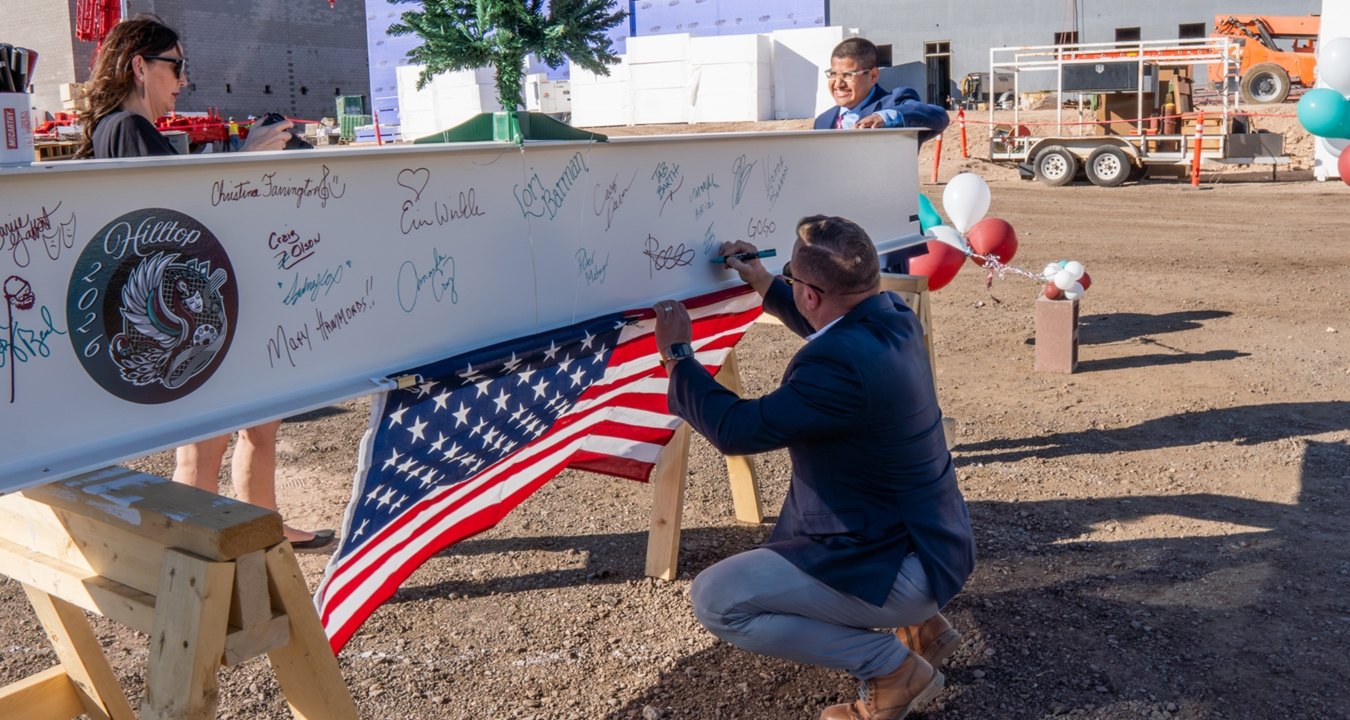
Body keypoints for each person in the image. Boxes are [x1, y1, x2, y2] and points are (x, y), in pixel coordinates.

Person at [652, 216, 975, 720]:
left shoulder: (835, 369)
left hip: (902, 567)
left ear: (808, 294)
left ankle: (892, 669)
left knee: (717, 600)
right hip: (938, 542)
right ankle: (924, 628)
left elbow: (738, 429)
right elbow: (832, 320)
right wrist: (764, 281)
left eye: (791, 279)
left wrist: (677, 357)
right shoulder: (892, 315)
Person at [75, 15, 334, 550]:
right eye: (175, 66)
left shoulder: (125, 129)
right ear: (139, 67)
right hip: (176, 315)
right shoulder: (126, 128)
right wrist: (246, 156)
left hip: (184, 307)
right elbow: (169, 222)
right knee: (205, 441)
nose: (182, 80)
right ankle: (182, 555)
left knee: (259, 421)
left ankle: (263, 525)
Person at [813, 37, 950, 142]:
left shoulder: (894, 103)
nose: (838, 84)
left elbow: (939, 116)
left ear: (873, 76)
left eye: (848, 75)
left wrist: (885, 117)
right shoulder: (823, 121)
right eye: (833, 74)